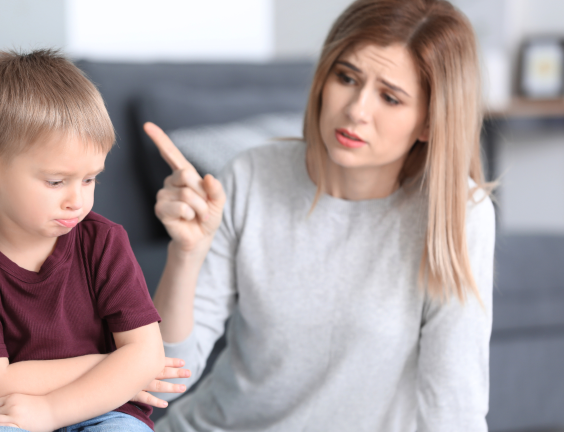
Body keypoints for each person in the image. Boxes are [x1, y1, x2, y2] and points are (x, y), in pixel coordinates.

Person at [145, 0, 495, 430]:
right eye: (347, 78)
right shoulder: (251, 176)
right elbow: (162, 383)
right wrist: (186, 254)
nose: (356, 110)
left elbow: (454, 408)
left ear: (429, 122)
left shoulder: (458, 212)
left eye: (390, 97)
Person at [0, 49, 189, 432]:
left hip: (104, 408)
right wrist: (112, 363)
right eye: (56, 181)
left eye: (90, 179)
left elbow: (147, 353)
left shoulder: (104, 242)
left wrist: (52, 410)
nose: (77, 201)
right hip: (3, 416)